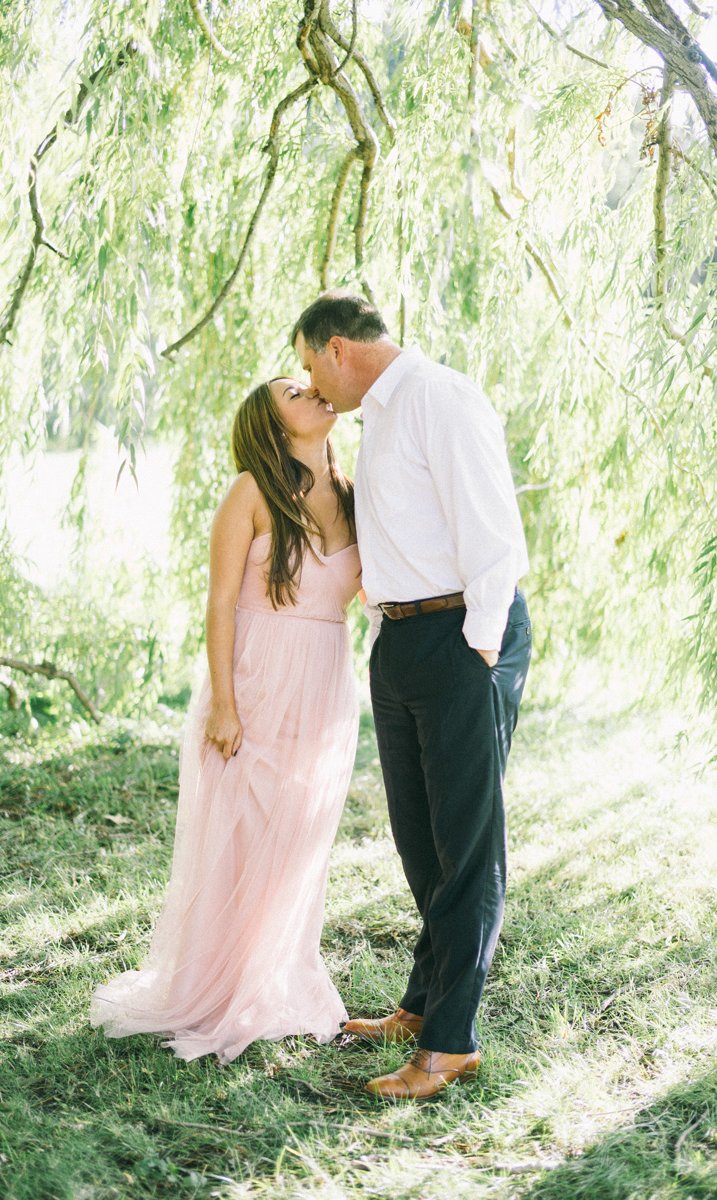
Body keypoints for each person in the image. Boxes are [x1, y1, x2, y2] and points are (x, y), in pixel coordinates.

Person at [291, 293, 531, 1100]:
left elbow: (495, 537)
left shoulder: (441, 397)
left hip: (461, 638)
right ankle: (420, 1005)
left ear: (336, 349)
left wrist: (481, 651)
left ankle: (450, 1043)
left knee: (466, 846)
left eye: (308, 369)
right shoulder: (378, 416)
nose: (313, 388)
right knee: (419, 840)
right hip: (400, 643)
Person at [91, 377, 361, 1064]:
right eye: (295, 393)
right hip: (255, 678)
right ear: (273, 426)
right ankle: (223, 988)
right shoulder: (250, 492)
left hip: (325, 681)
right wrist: (224, 703)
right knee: (243, 831)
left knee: (298, 835)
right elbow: (218, 603)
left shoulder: (355, 495)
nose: (315, 394)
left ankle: (275, 977)